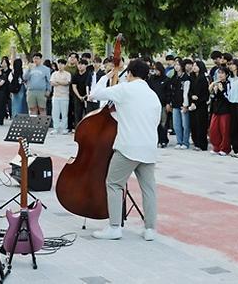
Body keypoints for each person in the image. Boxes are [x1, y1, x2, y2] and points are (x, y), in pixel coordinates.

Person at [90, 59, 159, 241]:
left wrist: (108, 75)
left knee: (113, 184)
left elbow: (94, 94)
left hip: (128, 146)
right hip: (149, 147)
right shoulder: (153, 95)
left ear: (129, 73)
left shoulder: (125, 89)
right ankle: (150, 229)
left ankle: (114, 227)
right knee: (149, 189)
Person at [208, 67, 232, 156]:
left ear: (226, 75)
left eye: (222, 73)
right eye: (219, 73)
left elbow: (228, 98)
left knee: (224, 130)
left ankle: (225, 148)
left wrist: (222, 90)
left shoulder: (228, 84)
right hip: (216, 109)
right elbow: (213, 97)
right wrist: (213, 91)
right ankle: (216, 147)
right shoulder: (216, 84)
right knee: (213, 129)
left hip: (225, 110)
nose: (220, 75)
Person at [188, 60, 210, 151]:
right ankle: (196, 143)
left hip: (201, 105)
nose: (194, 67)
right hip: (193, 104)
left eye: (196, 66)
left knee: (201, 124)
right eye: (193, 65)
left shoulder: (203, 78)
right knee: (194, 124)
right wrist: (192, 97)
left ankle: (202, 144)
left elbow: (205, 94)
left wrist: (197, 101)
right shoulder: (191, 77)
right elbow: (189, 90)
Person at [169, 60, 191, 149]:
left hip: (183, 104)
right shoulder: (174, 78)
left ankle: (185, 142)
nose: (176, 66)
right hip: (175, 104)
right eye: (175, 65)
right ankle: (179, 141)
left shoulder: (186, 78)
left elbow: (186, 92)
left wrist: (185, 104)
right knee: (176, 124)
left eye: (178, 65)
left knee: (185, 125)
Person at [50, 59, 71, 134]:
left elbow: (66, 83)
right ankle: (56, 128)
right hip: (55, 96)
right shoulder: (54, 74)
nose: (60, 66)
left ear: (65, 65)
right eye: (59, 64)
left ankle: (64, 128)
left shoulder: (67, 74)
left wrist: (58, 81)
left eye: (62, 64)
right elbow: (52, 83)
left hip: (64, 96)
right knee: (55, 113)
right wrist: (60, 82)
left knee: (64, 113)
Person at [71, 59, 91, 127]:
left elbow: (89, 86)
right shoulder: (75, 75)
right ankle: (77, 129)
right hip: (77, 97)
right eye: (79, 64)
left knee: (88, 113)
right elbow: (74, 87)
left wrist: (85, 96)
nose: (80, 66)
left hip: (87, 96)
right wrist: (79, 96)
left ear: (86, 66)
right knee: (77, 114)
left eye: (82, 64)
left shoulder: (89, 75)